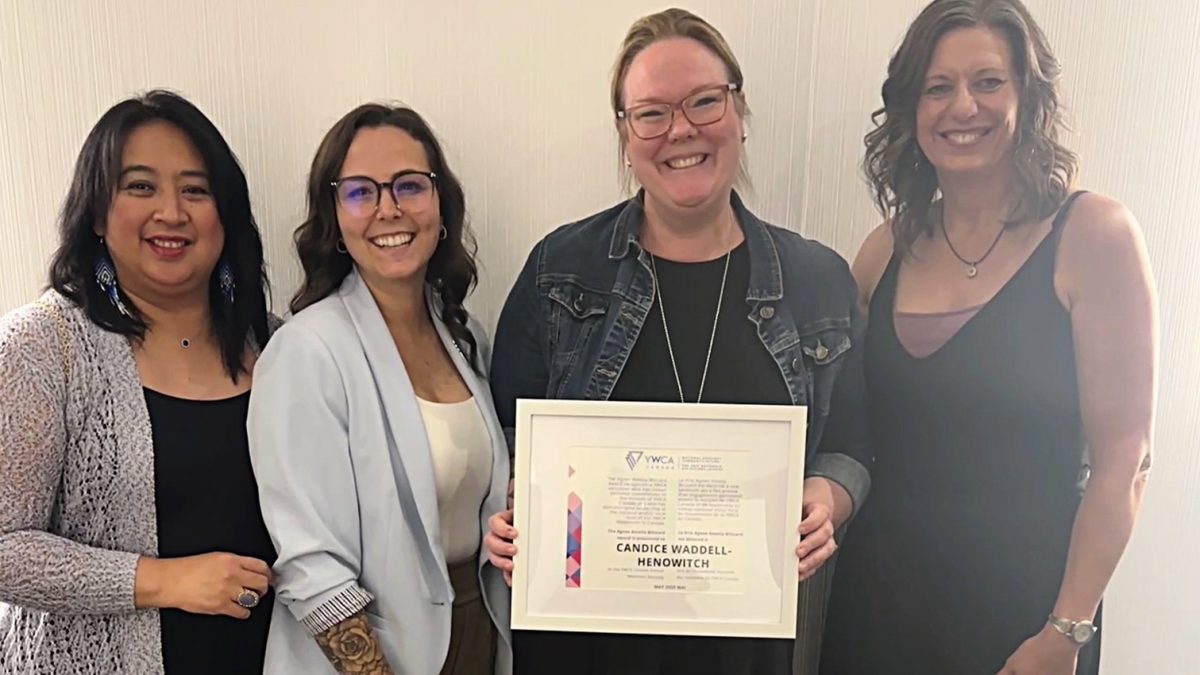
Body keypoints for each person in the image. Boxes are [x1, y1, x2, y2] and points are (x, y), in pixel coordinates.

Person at [483, 8, 871, 675]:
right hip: (583, 645)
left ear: (739, 111)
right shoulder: (560, 271)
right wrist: (513, 512)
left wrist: (826, 498)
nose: (682, 129)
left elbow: (852, 443)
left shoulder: (817, 282)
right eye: (652, 113)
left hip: (741, 647)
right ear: (625, 134)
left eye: (704, 101)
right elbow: (506, 439)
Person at [820, 1, 1158, 673]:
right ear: (911, 108)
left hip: (1026, 621)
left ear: (1027, 95)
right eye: (937, 87)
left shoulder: (1092, 236)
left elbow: (1126, 459)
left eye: (988, 81)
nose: (962, 106)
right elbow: (845, 431)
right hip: (878, 612)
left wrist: (1066, 630)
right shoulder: (883, 251)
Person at [0, 90, 276, 674]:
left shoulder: (279, 345)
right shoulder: (42, 347)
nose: (171, 212)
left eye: (195, 190)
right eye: (140, 186)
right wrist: (162, 581)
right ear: (98, 214)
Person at [246, 103, 512, 675]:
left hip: (476, 627)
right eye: (360, 192)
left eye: (409, 185)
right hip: (365, 655)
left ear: (441, 205)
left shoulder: (466, 338)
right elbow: (309, 565)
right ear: (334, 218)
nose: (388, 209)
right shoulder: (306, 352)